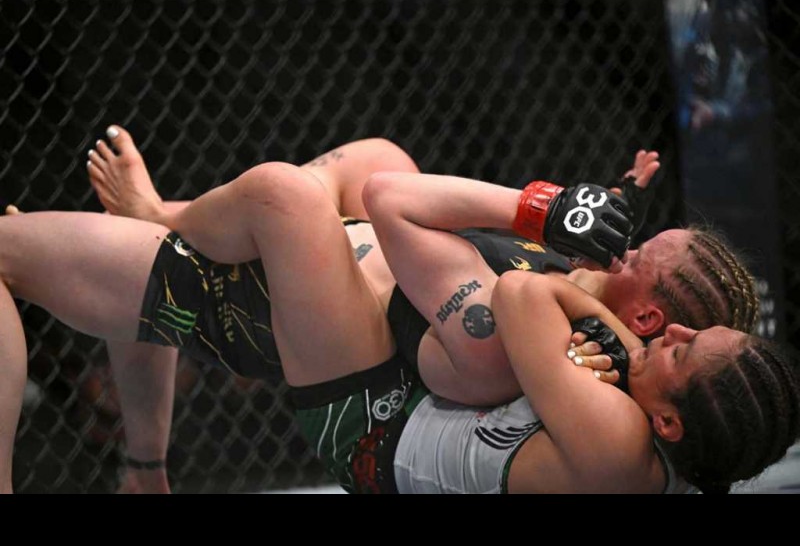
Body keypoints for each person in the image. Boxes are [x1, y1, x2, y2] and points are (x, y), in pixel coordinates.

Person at [0, 127, 761, 493]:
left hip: (346, 385)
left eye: (638, 254)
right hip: (362, 317)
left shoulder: (545, 343)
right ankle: (145, 463)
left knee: (284, 198)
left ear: (647, 323)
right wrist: (587, 223)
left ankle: (164, 217)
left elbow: (405, 214)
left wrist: (547, 208)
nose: (622, 248)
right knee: (377, 157)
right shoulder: (592, 331)